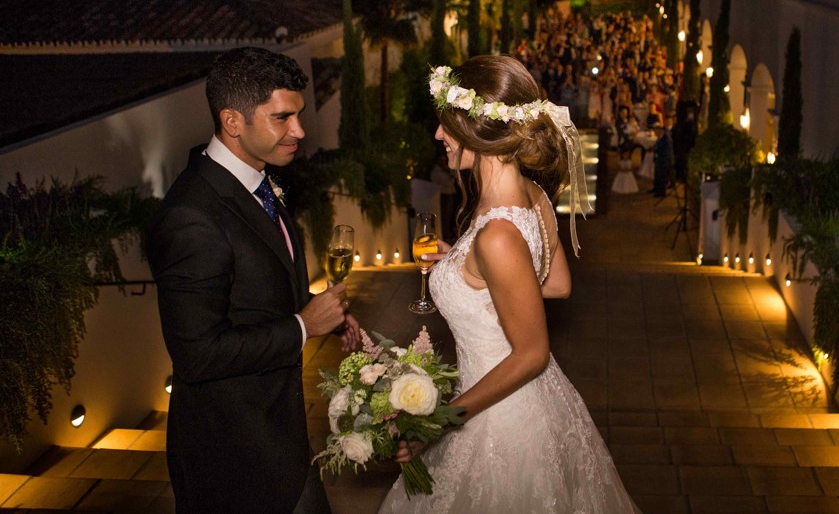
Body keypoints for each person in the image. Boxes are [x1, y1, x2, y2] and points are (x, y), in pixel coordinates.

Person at [378, 56, 638, 513]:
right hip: (531, 401)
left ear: (479, 132)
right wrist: (464, 265)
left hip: (498, 419)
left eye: (448, 126)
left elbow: (532, 353)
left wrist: (437, 424)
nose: (439, 136)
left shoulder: (497, 234)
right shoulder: (532, 194)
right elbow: (557, 285)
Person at [148, 47, 360, 514]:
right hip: (233, 457)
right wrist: (304, 326)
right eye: (282, 118)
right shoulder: (191, 217)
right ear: (232, 120)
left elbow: (254, 285)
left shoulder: (255, 180)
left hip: (278, 435)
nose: (299, 131)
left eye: (299, 116)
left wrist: (320, 310)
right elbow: (197, 354)